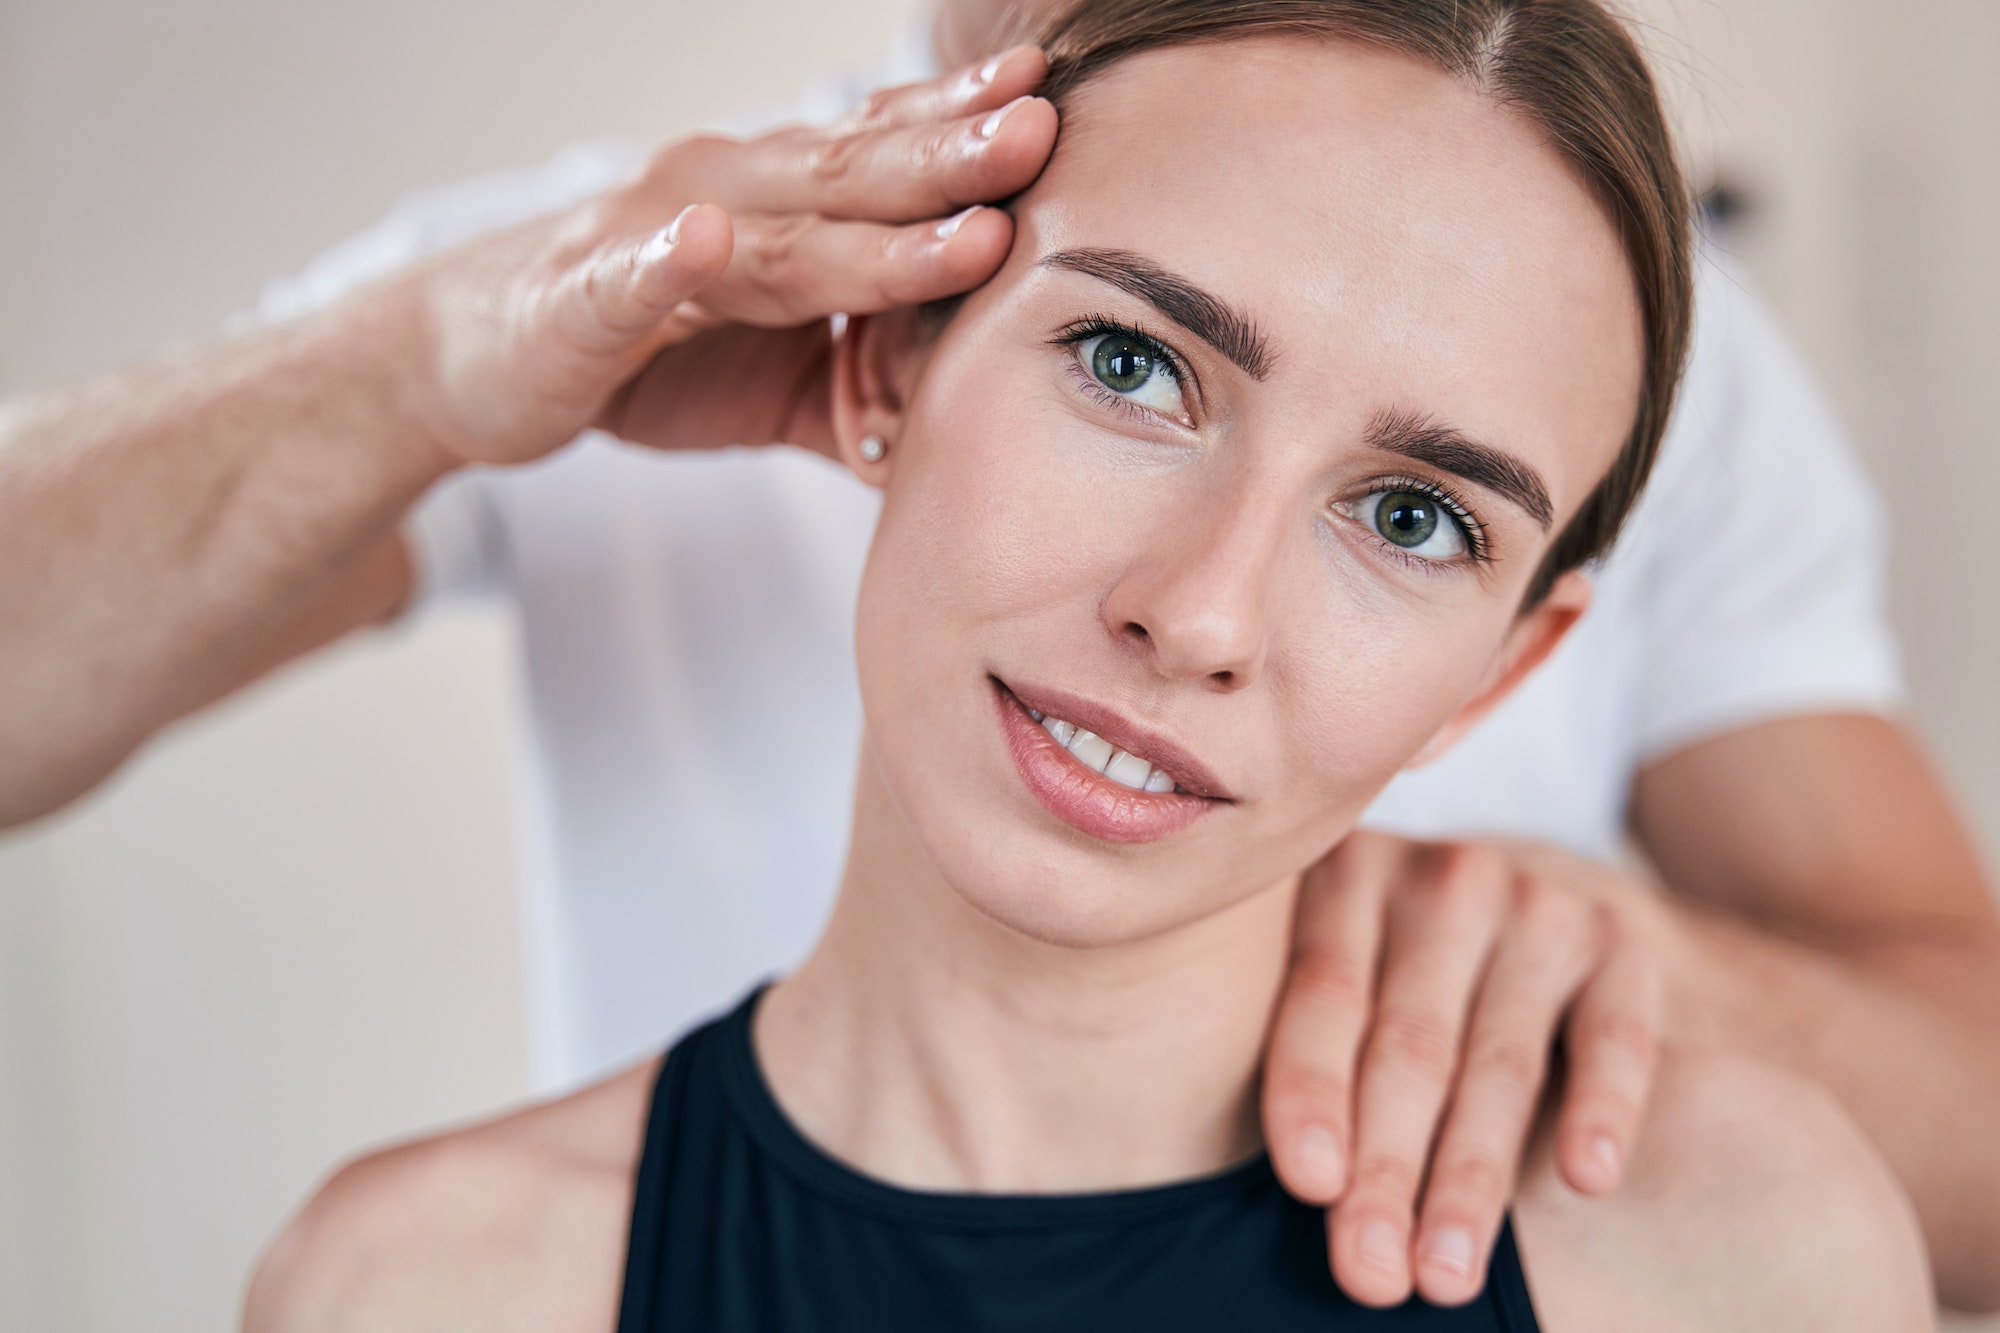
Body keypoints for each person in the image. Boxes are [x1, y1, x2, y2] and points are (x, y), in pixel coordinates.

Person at [0, 0, 1996, 1315]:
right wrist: (431, 363)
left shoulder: (1740, 1246)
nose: (1194, 617)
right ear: (881, 361)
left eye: (1415, 517)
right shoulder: (427, 1283)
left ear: (1504, 667)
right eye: (1131, 367)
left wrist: (1614, 960)